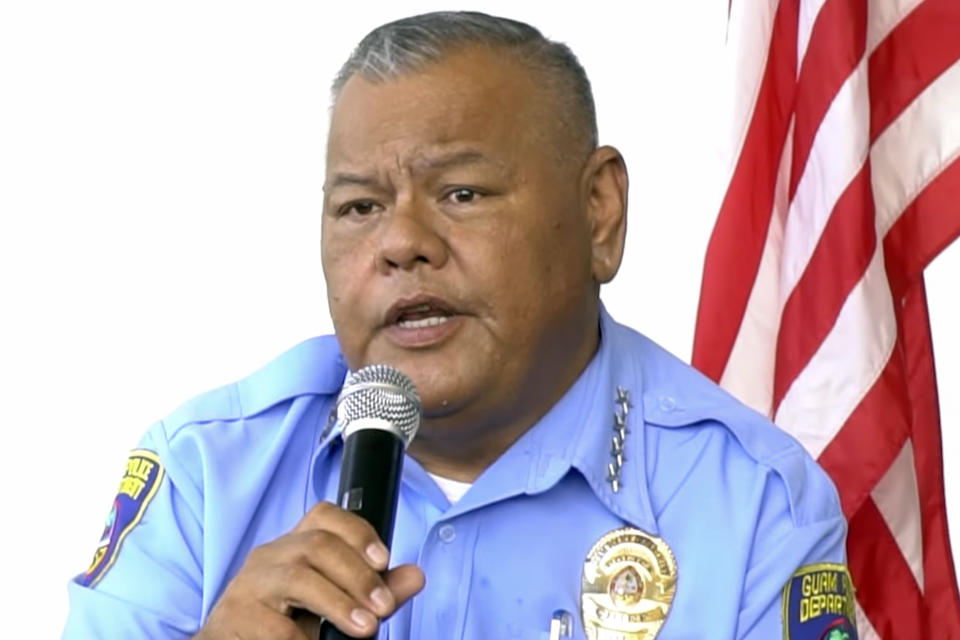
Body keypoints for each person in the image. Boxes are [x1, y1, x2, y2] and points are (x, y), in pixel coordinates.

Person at [62, 11, 857, 640]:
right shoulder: (205, 471)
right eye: (360, 207)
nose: (401, 242)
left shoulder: (755, 506)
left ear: (599, 211)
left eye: (462, 193)